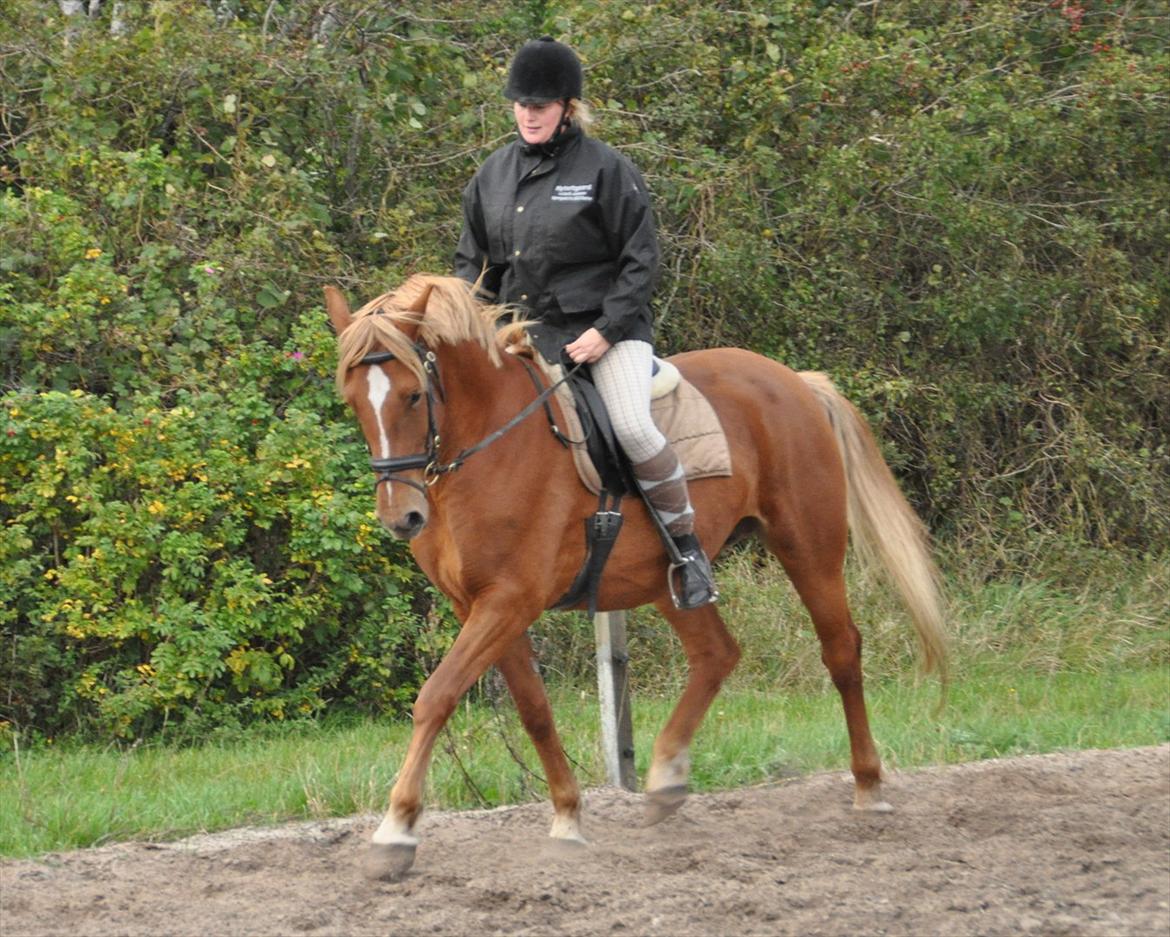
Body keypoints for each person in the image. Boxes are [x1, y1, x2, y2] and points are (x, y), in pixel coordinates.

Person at [454, 37, 716, 609]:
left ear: (567, 108)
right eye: (521, 104)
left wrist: (607, 329)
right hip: (521, 335)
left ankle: (687, 550)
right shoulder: (491, 177)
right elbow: (472, 267)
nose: (528, 115)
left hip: (603, 333)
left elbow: (641, 260)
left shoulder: (606, 169)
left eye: (540, 106)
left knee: (630, 425)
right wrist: (471, 325)